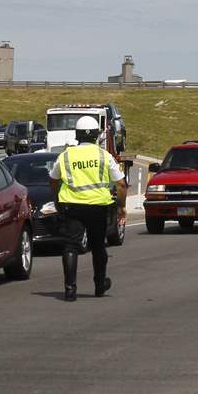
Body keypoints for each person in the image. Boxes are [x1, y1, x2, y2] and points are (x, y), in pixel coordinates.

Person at [49, 115, 127, 302]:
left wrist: (57, 198)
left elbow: (53, 179)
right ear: (96, 136)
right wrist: (121, 206)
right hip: (98, 208)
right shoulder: (104, 156)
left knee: (70, 246)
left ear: (77, 135)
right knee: (98, 247)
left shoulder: (66, 155)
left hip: (72, 206)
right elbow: (121, 184)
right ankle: (99, 285)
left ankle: (69, 290)